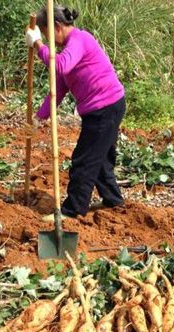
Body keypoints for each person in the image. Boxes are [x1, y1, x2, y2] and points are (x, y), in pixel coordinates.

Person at [26, 5, 126, 220]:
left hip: (105, 108)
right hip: (105, 108)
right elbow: (59, 88)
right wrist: (39, 117)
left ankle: (72, 211)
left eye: (46, 34)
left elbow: (60, 66)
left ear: (57, 27)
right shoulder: (68, 50)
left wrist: (37, 44)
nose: (46, 38)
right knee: (100, 159)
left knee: (84, 160)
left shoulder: (80, 40)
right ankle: (113, 200)